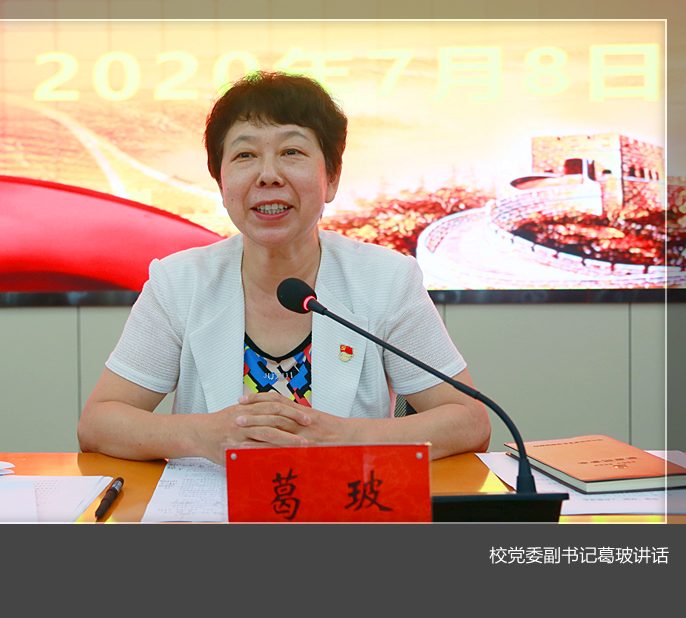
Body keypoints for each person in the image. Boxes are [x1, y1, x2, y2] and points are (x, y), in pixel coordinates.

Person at [77, 71, 491, 466]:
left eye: (291, 152)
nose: (268, 175)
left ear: (331, 178)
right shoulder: (179, 282)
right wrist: (201, 435)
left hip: (342, 508)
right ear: (221, 184)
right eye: (245, 155)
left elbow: (469, 421)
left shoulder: (385, 279)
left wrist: (343, 438)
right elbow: (98, 423)